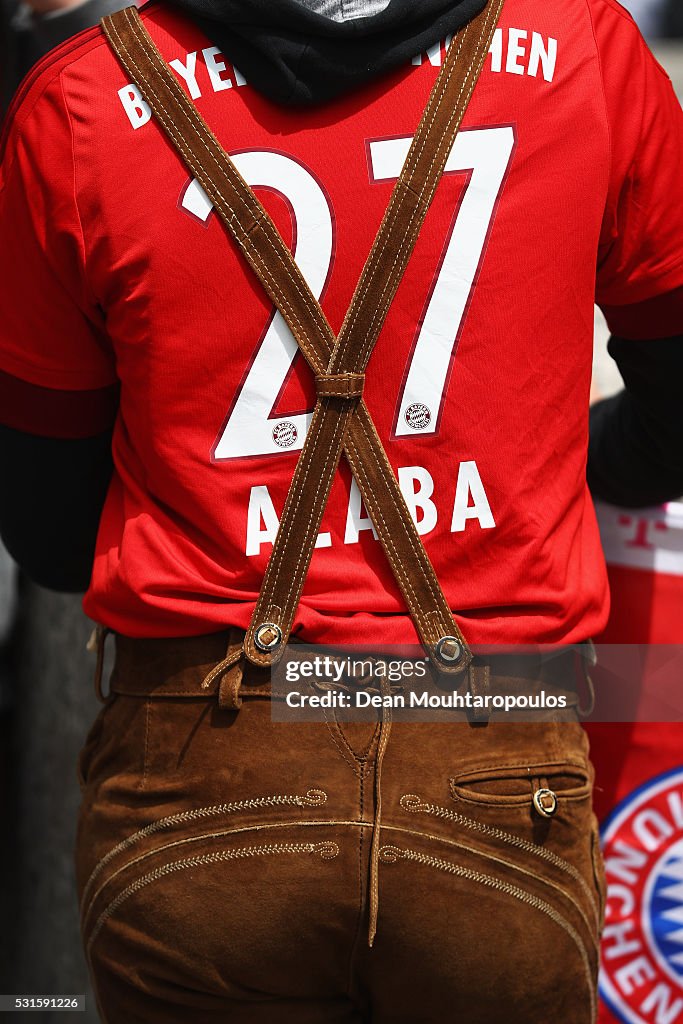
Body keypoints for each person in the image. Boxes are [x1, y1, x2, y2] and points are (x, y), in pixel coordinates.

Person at [0, 0, 681, 1020]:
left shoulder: (82, 99)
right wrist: (555, 462)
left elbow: (49, 532)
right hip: (495, 770)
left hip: (205, 767)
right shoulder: (583, 51)